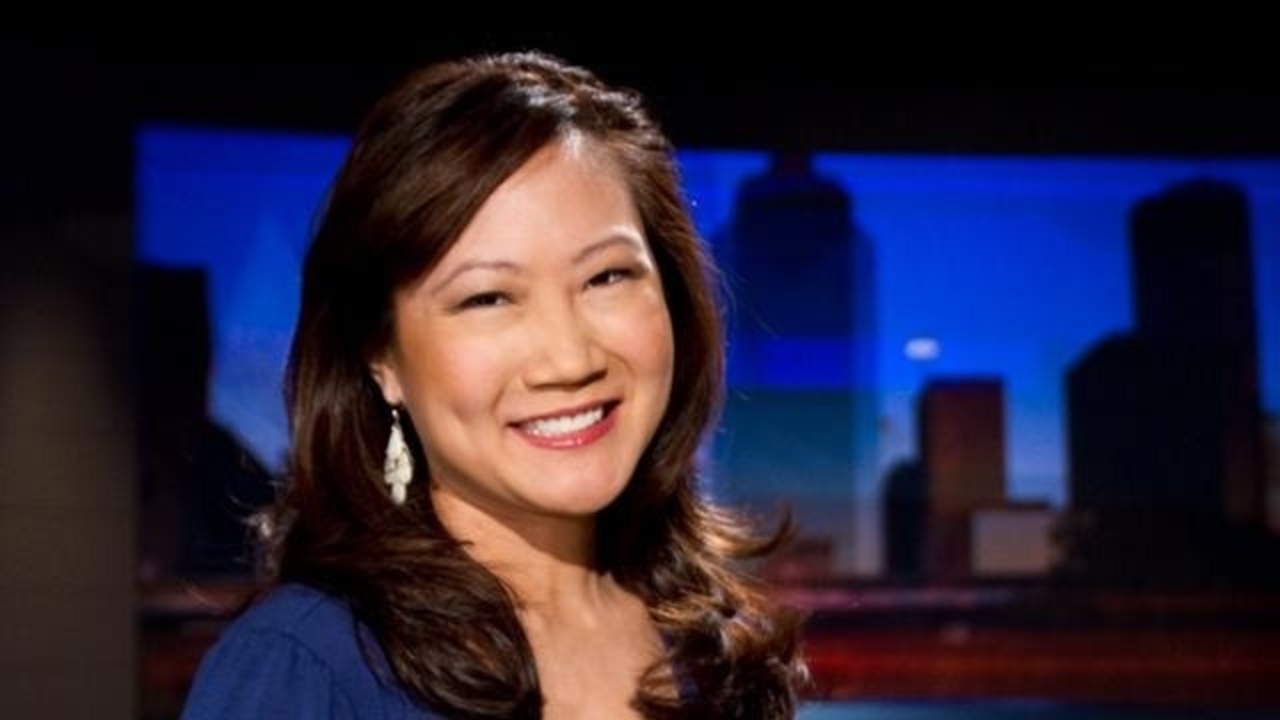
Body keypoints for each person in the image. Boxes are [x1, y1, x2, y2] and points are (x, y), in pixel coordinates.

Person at [180, 51, 805, 719]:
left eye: (606, 277)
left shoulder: (715, 648)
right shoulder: (307, 665)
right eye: (487, 299)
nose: (569, 359)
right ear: (380, 355)